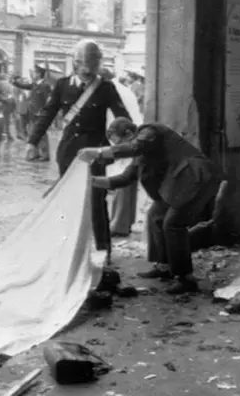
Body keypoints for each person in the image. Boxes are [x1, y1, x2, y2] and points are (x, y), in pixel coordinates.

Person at [80, 118, 223, 295]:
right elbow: (123, 179)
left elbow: (133, 147)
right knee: (155, 214)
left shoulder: (151, 131)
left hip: (195, 176)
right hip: (180, 184)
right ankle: (164, 265)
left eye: (119, 142)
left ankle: (185, 278)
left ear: (129, 134)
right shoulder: (140, 155)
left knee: (173, 224)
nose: (119, 148)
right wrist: (91, 181)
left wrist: (98, 152)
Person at [26, 40, 130, 257]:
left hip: (95, 154)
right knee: (69, 201)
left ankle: (103, 251)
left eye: (92, 64)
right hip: (69, 152)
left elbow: (122, 116)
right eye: (84, 64)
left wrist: (125, 140)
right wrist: (32, 141)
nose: (88, 70)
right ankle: (70, 251)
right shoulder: (63, 85)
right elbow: (48, 113)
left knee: (97, 203)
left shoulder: (106, 88)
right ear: (76, 63)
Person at [103, 68, 144, 237]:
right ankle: (122, 222)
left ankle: (119, 224)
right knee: (125, 180)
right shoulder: (124, 90)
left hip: (122, 135)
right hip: (125, 133)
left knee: (124, 180)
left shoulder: (109, 90)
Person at [14, 65, 53, 160]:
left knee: (42, 135)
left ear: (39, 74)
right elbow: (24, 86)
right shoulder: (34, 84)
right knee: (33, 134)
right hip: (32, 114)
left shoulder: (45, 85)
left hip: (40, 114)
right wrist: (14, 81)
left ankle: (45, 154)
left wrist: (43, 112)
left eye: (35, 72)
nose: (33, 74)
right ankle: (35, 153)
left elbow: (48, 101)